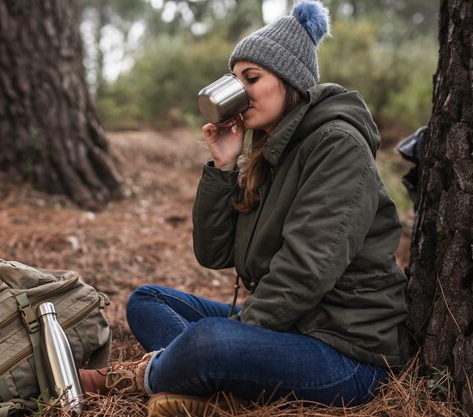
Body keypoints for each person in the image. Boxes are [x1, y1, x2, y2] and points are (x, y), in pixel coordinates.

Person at [79, 1, 408, 415]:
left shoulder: (337, 146)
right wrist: (224, 165)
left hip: (346, 354)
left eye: (251, 79)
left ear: (290, 81)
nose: (240, 93)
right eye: (234, 80)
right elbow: (213, 253)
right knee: (147, 301)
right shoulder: (270, 150)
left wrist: (233, 340)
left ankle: (138, 376)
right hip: (291, 326)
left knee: (211, 342)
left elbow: (305, 272)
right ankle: (217, 386)